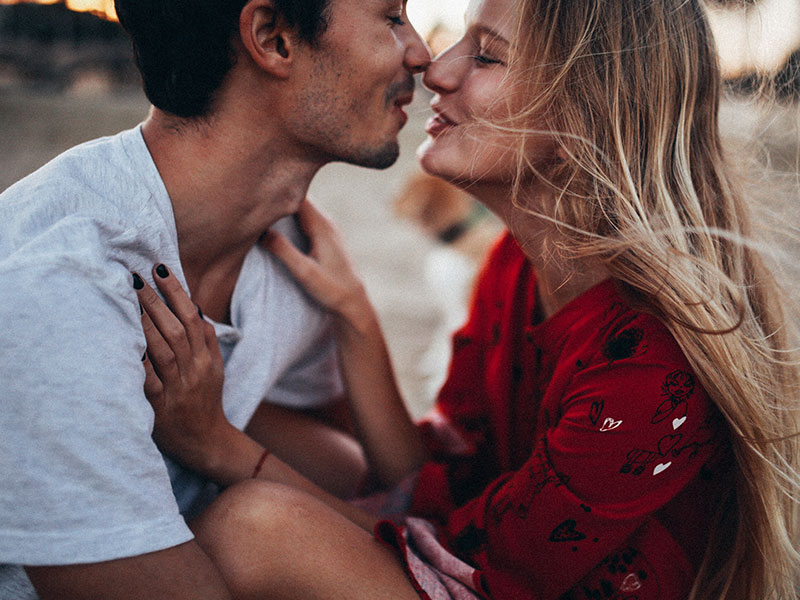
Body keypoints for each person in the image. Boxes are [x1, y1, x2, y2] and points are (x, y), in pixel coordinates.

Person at [128, 0, 800, 598]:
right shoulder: (515, 265)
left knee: (256, 528)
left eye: (484, 55)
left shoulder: (648, 362)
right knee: (270, 424)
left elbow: (472, 559)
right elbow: (441, 478)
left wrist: (218, 448)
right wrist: (355, 315)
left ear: (582, 115)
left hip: (501, 579)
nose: (435, 69)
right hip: (485, 559)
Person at [0, 0, 430, 598]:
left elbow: (366, 479)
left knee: (335, 466)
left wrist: (353, 314)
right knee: (261, 523)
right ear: (273, 38)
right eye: (391, 18)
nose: (422, 54)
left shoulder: (294, 251)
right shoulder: (60, 288)